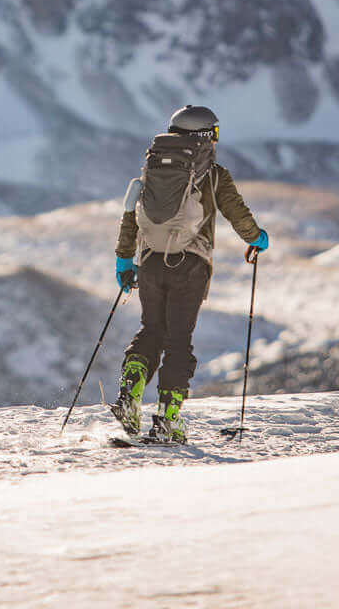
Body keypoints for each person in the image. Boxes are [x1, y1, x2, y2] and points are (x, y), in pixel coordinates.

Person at [111, 104, 269, 442]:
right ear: (204, 136)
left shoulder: (151, 168)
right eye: (213, 133)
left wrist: (125, 259)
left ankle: (129, 395)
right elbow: (237, 214)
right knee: (178, 341)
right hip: (191, 267)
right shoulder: (213, 174)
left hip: (150, 262)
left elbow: (131, 213)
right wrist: (257, 239)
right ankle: (167, 420)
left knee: (150, 330)